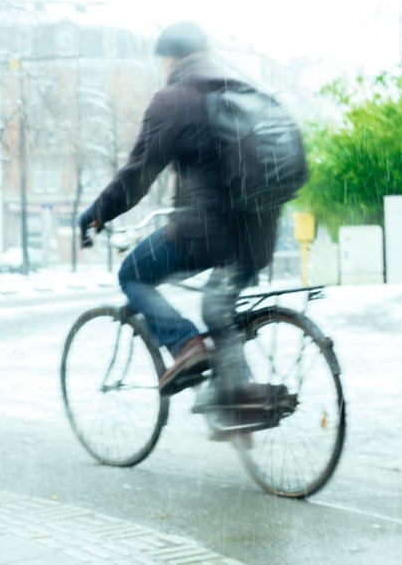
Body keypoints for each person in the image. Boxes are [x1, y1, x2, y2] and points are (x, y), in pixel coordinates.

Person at [77, 21, 283, 421]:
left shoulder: (175, 99)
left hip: (206, 231)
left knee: (132, 273)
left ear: (169, 57)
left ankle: (185, 345)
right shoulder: (242, 90)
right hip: (258, 233)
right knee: (217, 306)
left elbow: (137, 175)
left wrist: (97, 214)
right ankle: (236, 398)